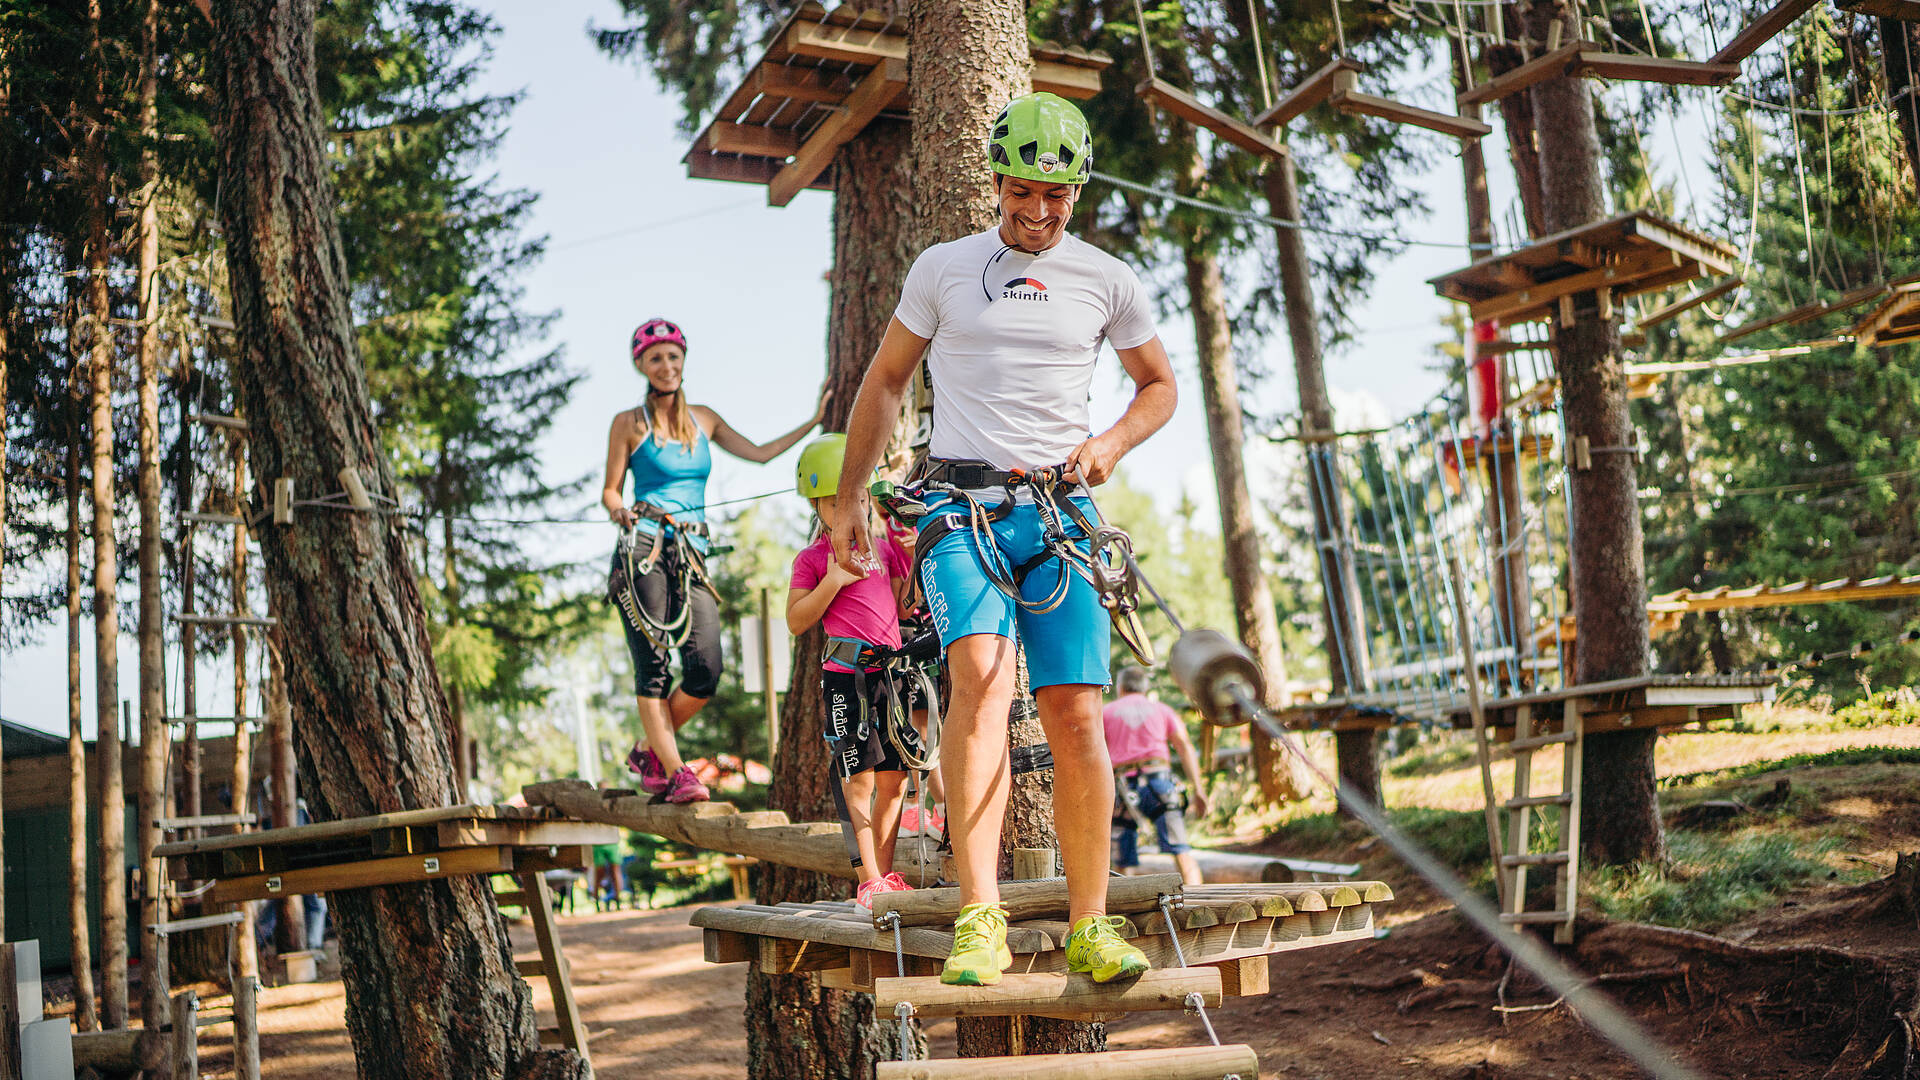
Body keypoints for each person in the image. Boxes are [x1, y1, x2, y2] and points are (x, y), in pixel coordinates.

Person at [829, 92, 1177, 986]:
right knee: (979, 680)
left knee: (1074, 712)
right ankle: (979, 915)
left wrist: (1109, 444)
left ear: (1078, 193)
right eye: (1023, 192)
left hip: (1062, 517)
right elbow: (883, 384)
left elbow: (1158, 387)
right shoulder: (944, 268)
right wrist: (847, 503)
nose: (1038, 212)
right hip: (961, 512)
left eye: (1057, 197)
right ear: (996, 180)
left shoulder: (1107, 278)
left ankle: (1091, 923)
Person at [605, 317, 824, 803]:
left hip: (694, 555)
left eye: (673, 355)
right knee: (655, 668)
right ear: (641, 365)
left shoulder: (703, 419)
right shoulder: (628, 423)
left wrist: (813, 421)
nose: (667, 365)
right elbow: (609, 489)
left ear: (684, 360)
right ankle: (679, 771)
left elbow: (761, 454)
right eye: (656, 357)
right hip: (645, 549)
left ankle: (648, 751)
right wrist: (618, 510)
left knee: (705, 668)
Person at [787, 434, 918, 910]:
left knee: (894, 778)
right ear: (818, 506)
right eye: (840, 501)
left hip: (892, 673)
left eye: (861, 497)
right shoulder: (811, 560)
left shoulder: (885, 551)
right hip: (846, 675)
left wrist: (914, 553)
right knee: (857, 777)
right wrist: (834, 578)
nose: (854, 508)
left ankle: (880, 876)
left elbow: (908, 606)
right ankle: (867, 879)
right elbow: (797, 620)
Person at [1105, 665, 1209, 886]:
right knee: (1180, 850)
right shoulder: (1162, 710)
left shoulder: (1107, 712)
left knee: (1122, 859)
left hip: (1122, 790)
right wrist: (1199, 789)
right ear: (1145, 688)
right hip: (1159, 784)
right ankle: (1196, 899)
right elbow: (1184, 746)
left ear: (1120, 687)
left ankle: (1126, 910)